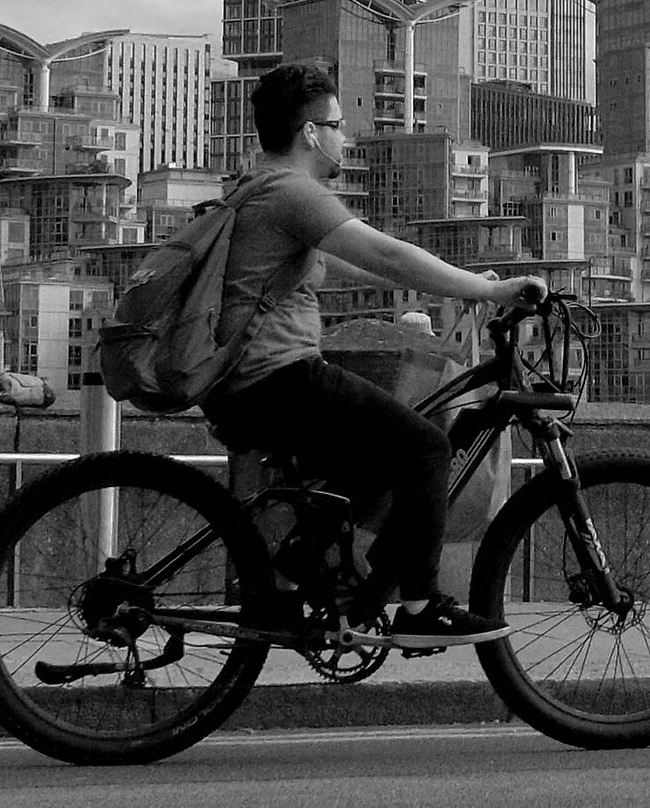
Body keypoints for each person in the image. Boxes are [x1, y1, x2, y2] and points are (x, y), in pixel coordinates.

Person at [202, 59, 546, 648]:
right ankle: (418, 604)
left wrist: (462, 283)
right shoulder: (290, 191)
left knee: (382, 452)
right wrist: (489, 290)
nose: (345, 136)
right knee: (427, 446)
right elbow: (384, 255)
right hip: (275, 379)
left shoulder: (255, 189)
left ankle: (310, 555)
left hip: (254, 381)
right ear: (310, 132)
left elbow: (353, 265)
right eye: (336, 124)